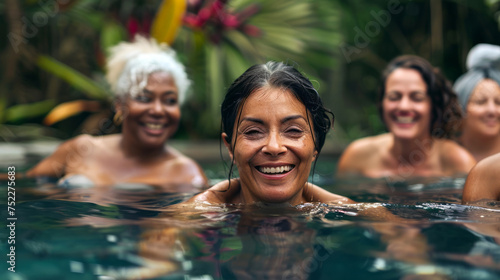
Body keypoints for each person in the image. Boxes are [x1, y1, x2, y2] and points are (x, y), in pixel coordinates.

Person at [25, 35, 207, 191]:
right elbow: (22, 188)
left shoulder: (187, 175)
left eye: (170, 101)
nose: (158, 110)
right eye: (144, 98)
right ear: (120, 105)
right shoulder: (81, 150)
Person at [189, 61, 353, 205]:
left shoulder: (354, 216)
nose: (274, 147)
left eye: (293, 130)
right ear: (230, 147)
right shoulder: (188, 218)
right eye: (253, 132)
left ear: (315, 146)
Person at [336, 55, 476, 180]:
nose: (404, 107)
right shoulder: (357, 157)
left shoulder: (458, 163)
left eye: (417, 98)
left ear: (433, 105)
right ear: (382, 103)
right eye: (394, 97)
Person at [454, 43, 500, 162]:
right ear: (460, 109)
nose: (492, 110)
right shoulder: (444, 156)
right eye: (480, 102)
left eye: (498, 102)